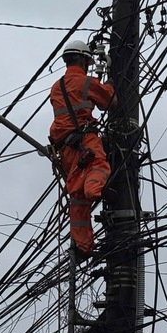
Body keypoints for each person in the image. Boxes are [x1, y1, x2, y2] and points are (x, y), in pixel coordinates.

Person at [49, 40, 116, 258]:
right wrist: (110, 83)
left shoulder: (57, 86)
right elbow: (109, 101)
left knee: (77, 197)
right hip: (84, 138)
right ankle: (95, 189)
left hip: (64, 147)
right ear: (83, 59)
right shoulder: (86, 82)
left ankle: (83, 246)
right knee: (98, 164)